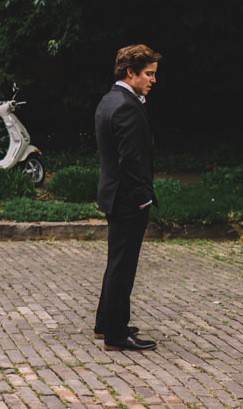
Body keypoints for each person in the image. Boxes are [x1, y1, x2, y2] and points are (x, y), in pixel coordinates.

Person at [93, 44, 161, 351]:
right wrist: (142, 198)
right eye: (148, 74)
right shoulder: (126, 106)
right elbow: (131, 160)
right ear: (130, 73)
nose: (153, 80)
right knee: (123, 266)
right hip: (127, 199)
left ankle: (105, 323)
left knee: (117, 262)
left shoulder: (110, 100)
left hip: (114, 194)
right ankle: (116, 335)